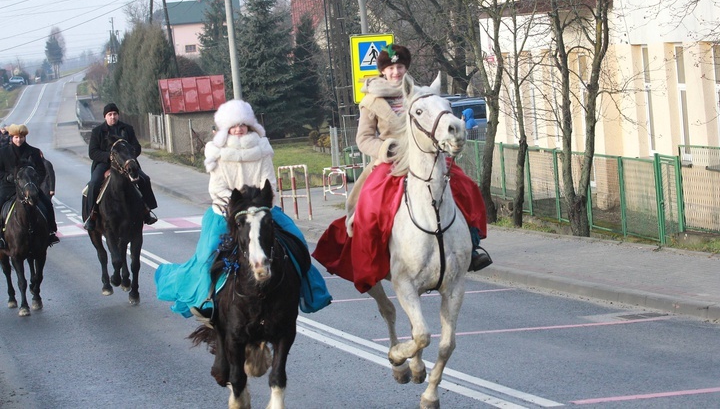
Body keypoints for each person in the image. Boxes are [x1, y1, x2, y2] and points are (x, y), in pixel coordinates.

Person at [315, 44, 491, 293]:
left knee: (466, 188)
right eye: (390, 68)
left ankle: (471, 248)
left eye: (399, 67)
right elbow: (363, 139)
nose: (396, 72)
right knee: (371, 207)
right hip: (392, 162)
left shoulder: (422, 95)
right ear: (383, 71)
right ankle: (375, 259)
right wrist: (387, 148)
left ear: (406, 68)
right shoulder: (371, 101)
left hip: (428, 158)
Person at [154, 99, 331, 320]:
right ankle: (206, 300)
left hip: (262, 210)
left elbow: (270, 184)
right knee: (207, 253)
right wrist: (240, 206)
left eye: (242, 124)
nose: (238, 129)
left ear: (249, 125)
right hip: (226, 213)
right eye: (233, 126)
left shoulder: (262, 149)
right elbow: (217, 188)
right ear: (226, 129)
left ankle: (310, 293)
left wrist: (258, 205)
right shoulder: (216, 152)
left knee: (297, 242)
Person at [83, 103, 158, 230]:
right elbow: (93, 152)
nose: (113, 117)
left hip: (126, 164)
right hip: (104, 164)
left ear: (118, 115)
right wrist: (109, 156)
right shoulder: (97, 132)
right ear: (105, 117)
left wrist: (129, 157)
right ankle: (92, 215)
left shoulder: (127, 129)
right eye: (110, 115)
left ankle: (147, 211)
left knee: (145, 179)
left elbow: (137, 147)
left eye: (115, 114)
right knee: (93, 184)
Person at [0, 124, 59, 249]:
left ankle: (51, 231)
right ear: (11, 137)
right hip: (9, 187)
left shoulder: (33, 152)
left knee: (46, 203)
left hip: (29, 187)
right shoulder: (3, 152)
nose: (19, 140)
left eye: (21, 137)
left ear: (25, 137)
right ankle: (1, 236)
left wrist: (33, 182)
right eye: (16, 137)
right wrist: (7, 177)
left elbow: (41, 170)